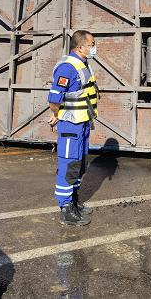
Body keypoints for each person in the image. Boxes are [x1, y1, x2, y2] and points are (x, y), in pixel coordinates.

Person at [48, 30, 99, 226]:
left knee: (80, 163)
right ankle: (66, 209)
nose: (94, 48)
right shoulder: (67, 68)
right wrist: (56, 115)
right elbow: (54, 99)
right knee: (68, 165)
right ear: (80, 47)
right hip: (70, 125)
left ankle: (74, 201)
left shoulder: (83, 64)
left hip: (83, 124)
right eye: (91, 45)